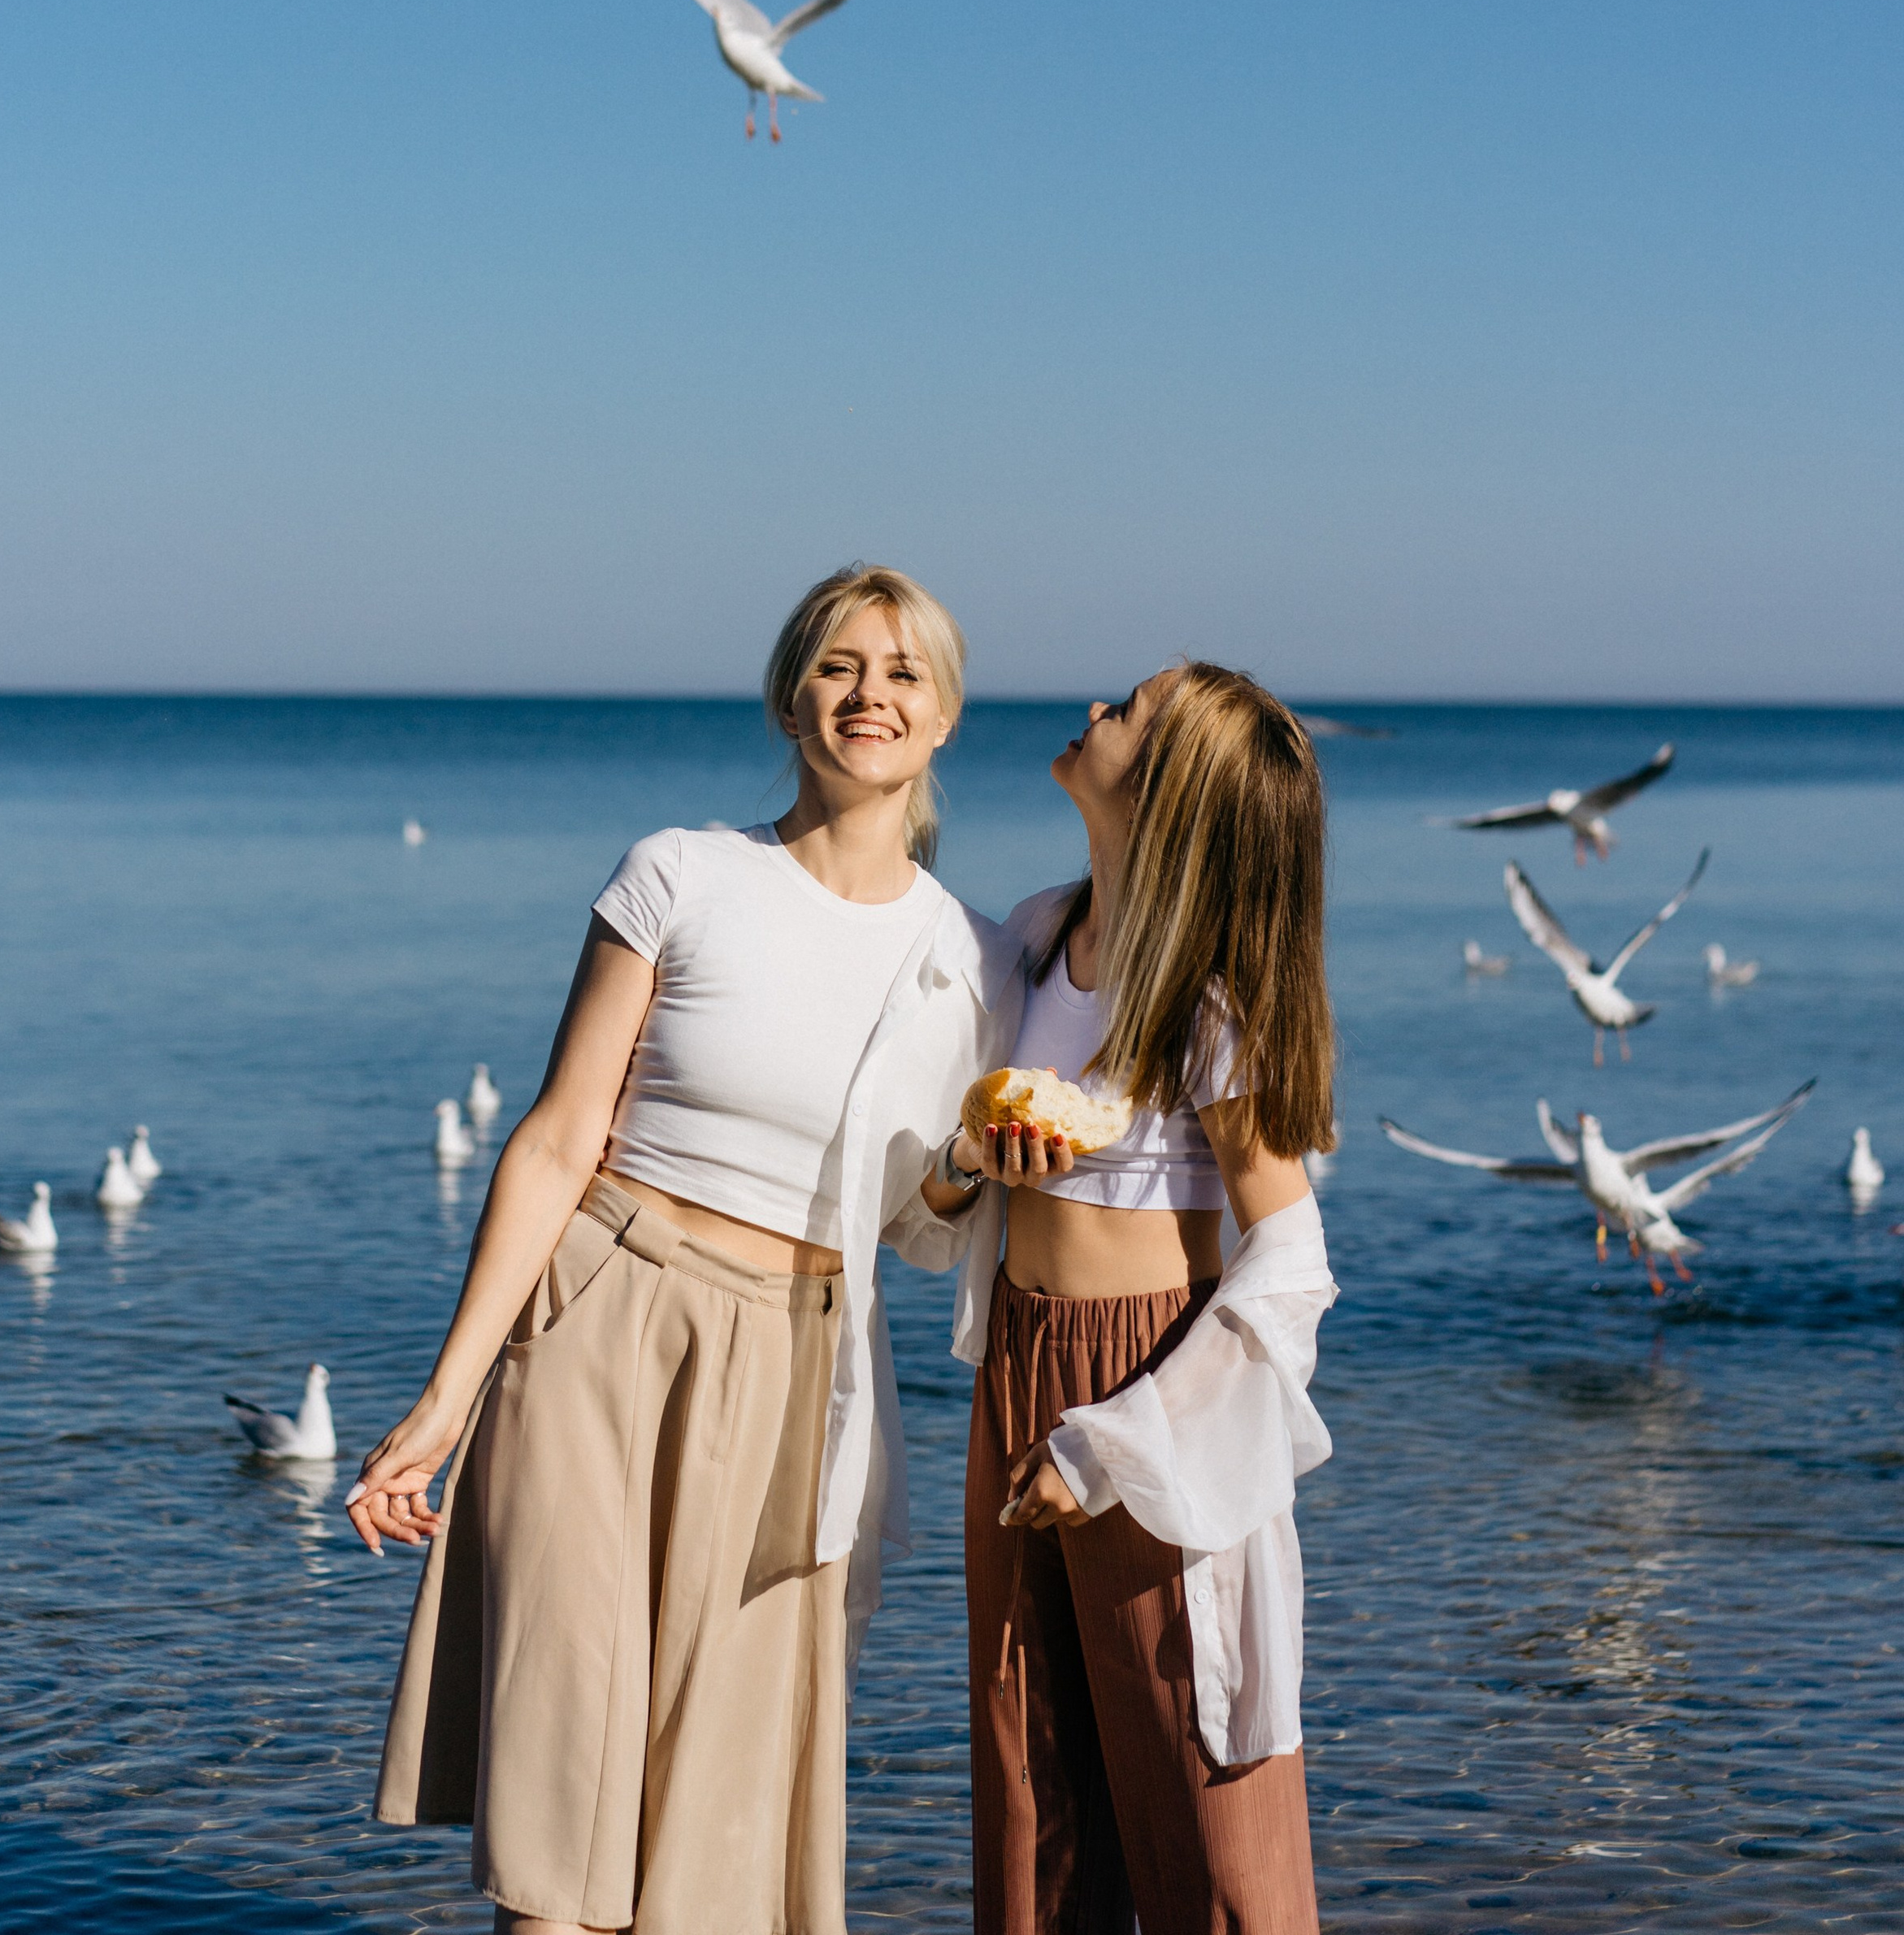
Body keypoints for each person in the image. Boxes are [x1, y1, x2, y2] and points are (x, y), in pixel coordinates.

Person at [353, 563, 1019, 1935]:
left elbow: (917, 1228)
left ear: (946, 714)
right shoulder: (682, 872)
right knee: (562, 1793)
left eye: (902, 672)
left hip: (799, 1366)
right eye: (839, 665)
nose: (868, 696)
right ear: (793, 693)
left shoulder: (974, 962)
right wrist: (445, 1397)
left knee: (714, 1822)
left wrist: (966, 1172)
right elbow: (554, 1143)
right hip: (602, 1323)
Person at [939, 662, 1338, 1935]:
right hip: (1020, 1361)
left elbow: (1291, 1262)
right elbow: (947, 1188)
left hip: (1149, 1384)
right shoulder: (1036, 937)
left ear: (1168, 797)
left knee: (1200, 1786)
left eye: (1134, 711)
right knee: (1031, 1775)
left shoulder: (1207, 1001)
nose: (1098, 707)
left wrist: (1121, 1441)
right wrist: (969, 1165)